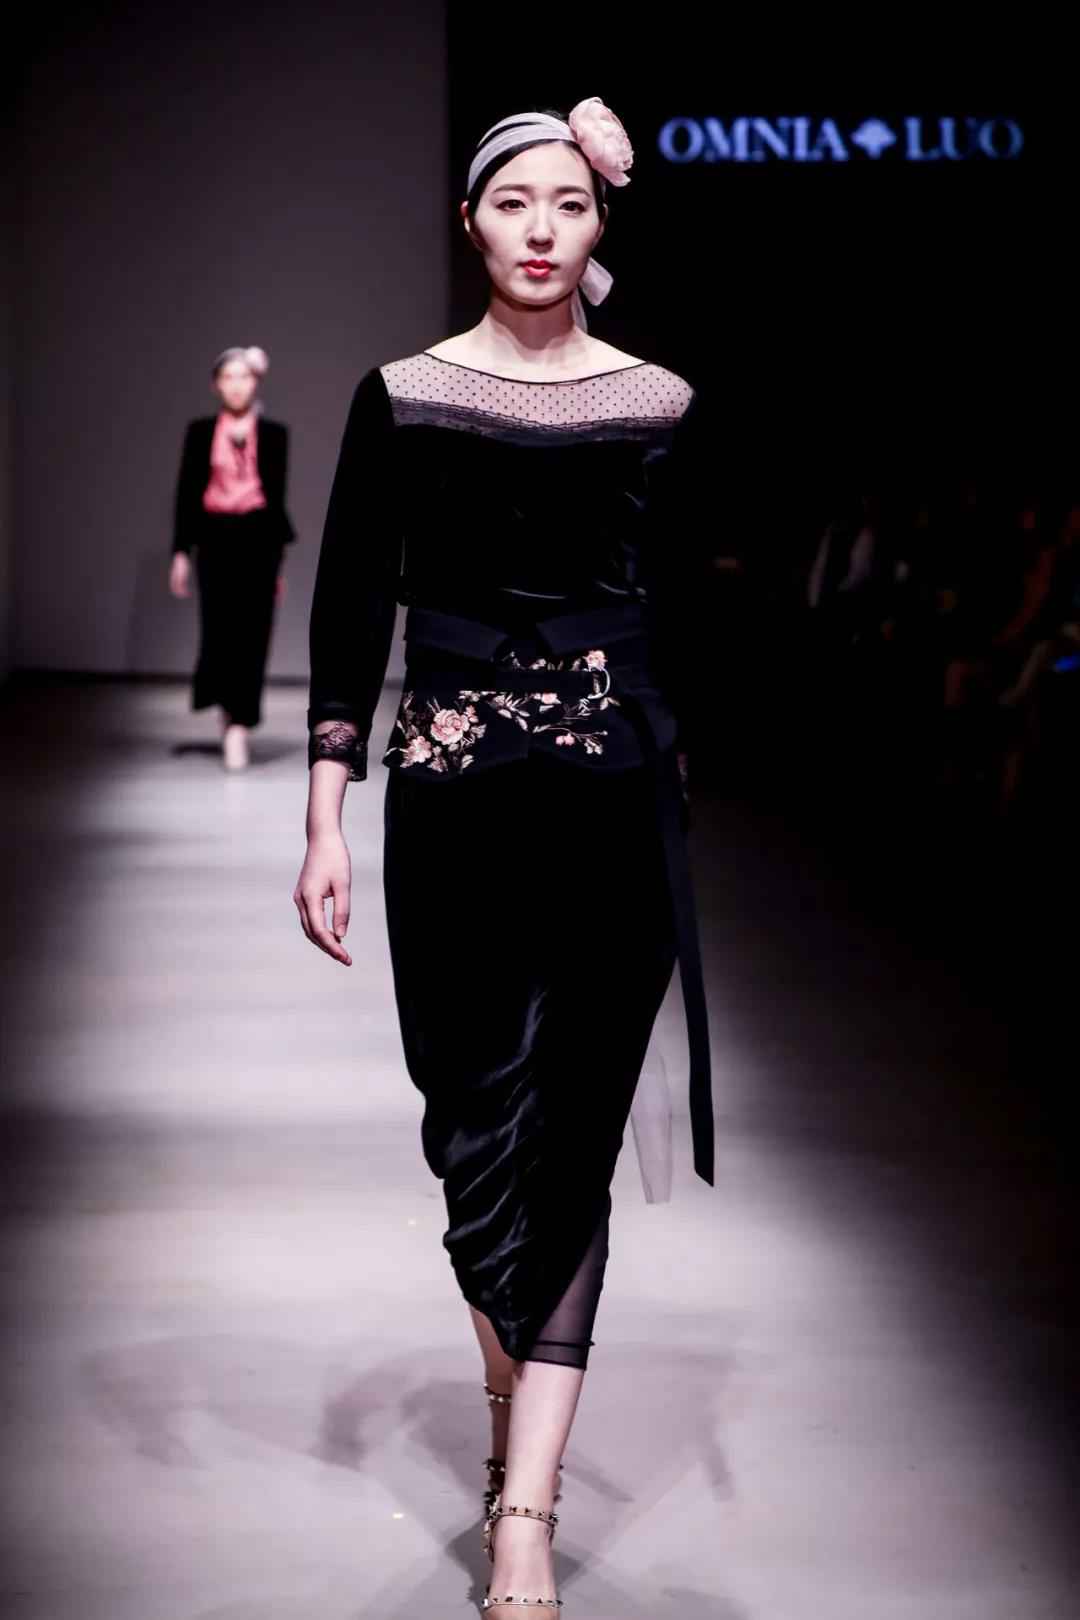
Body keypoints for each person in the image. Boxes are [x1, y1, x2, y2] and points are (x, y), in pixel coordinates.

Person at [294, 98, 714, 1613]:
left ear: (599, 227)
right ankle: (505, 1402)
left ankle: (524, 1509)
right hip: (452, 801)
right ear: (468, 218)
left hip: (614, 808)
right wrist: (325, 811)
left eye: (570, 204)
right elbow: (354, 600)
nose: (542, 227)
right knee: (473, 1135)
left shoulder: (658, 401)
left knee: (573, 1136)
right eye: (514, 201)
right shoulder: (403, 396)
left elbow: (689, 608)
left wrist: (676, 770)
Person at [169, 346, 296, 769]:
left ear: (256, 382)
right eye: (228, 377)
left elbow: (276, 500)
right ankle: (228, 714)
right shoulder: (201, 431)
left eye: (244, 376)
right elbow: (187, 492)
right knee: (220, 631)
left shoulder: (274, 434)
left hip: (259, 541)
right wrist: (180, 552)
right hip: (215, 539)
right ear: (215, 385)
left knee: (254, 633)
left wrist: (278, 565)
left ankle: (240, 724)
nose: (237, 385)